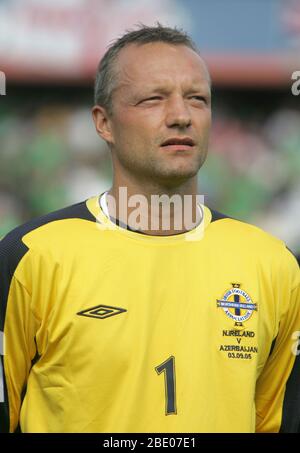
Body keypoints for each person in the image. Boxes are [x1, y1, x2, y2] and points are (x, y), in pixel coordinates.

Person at [0, 24, 299, 434]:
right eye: (153, 100)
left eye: (197, 99)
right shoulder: (31, 255)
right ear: (104, 123)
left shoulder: (273, 264)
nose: (181, 116)